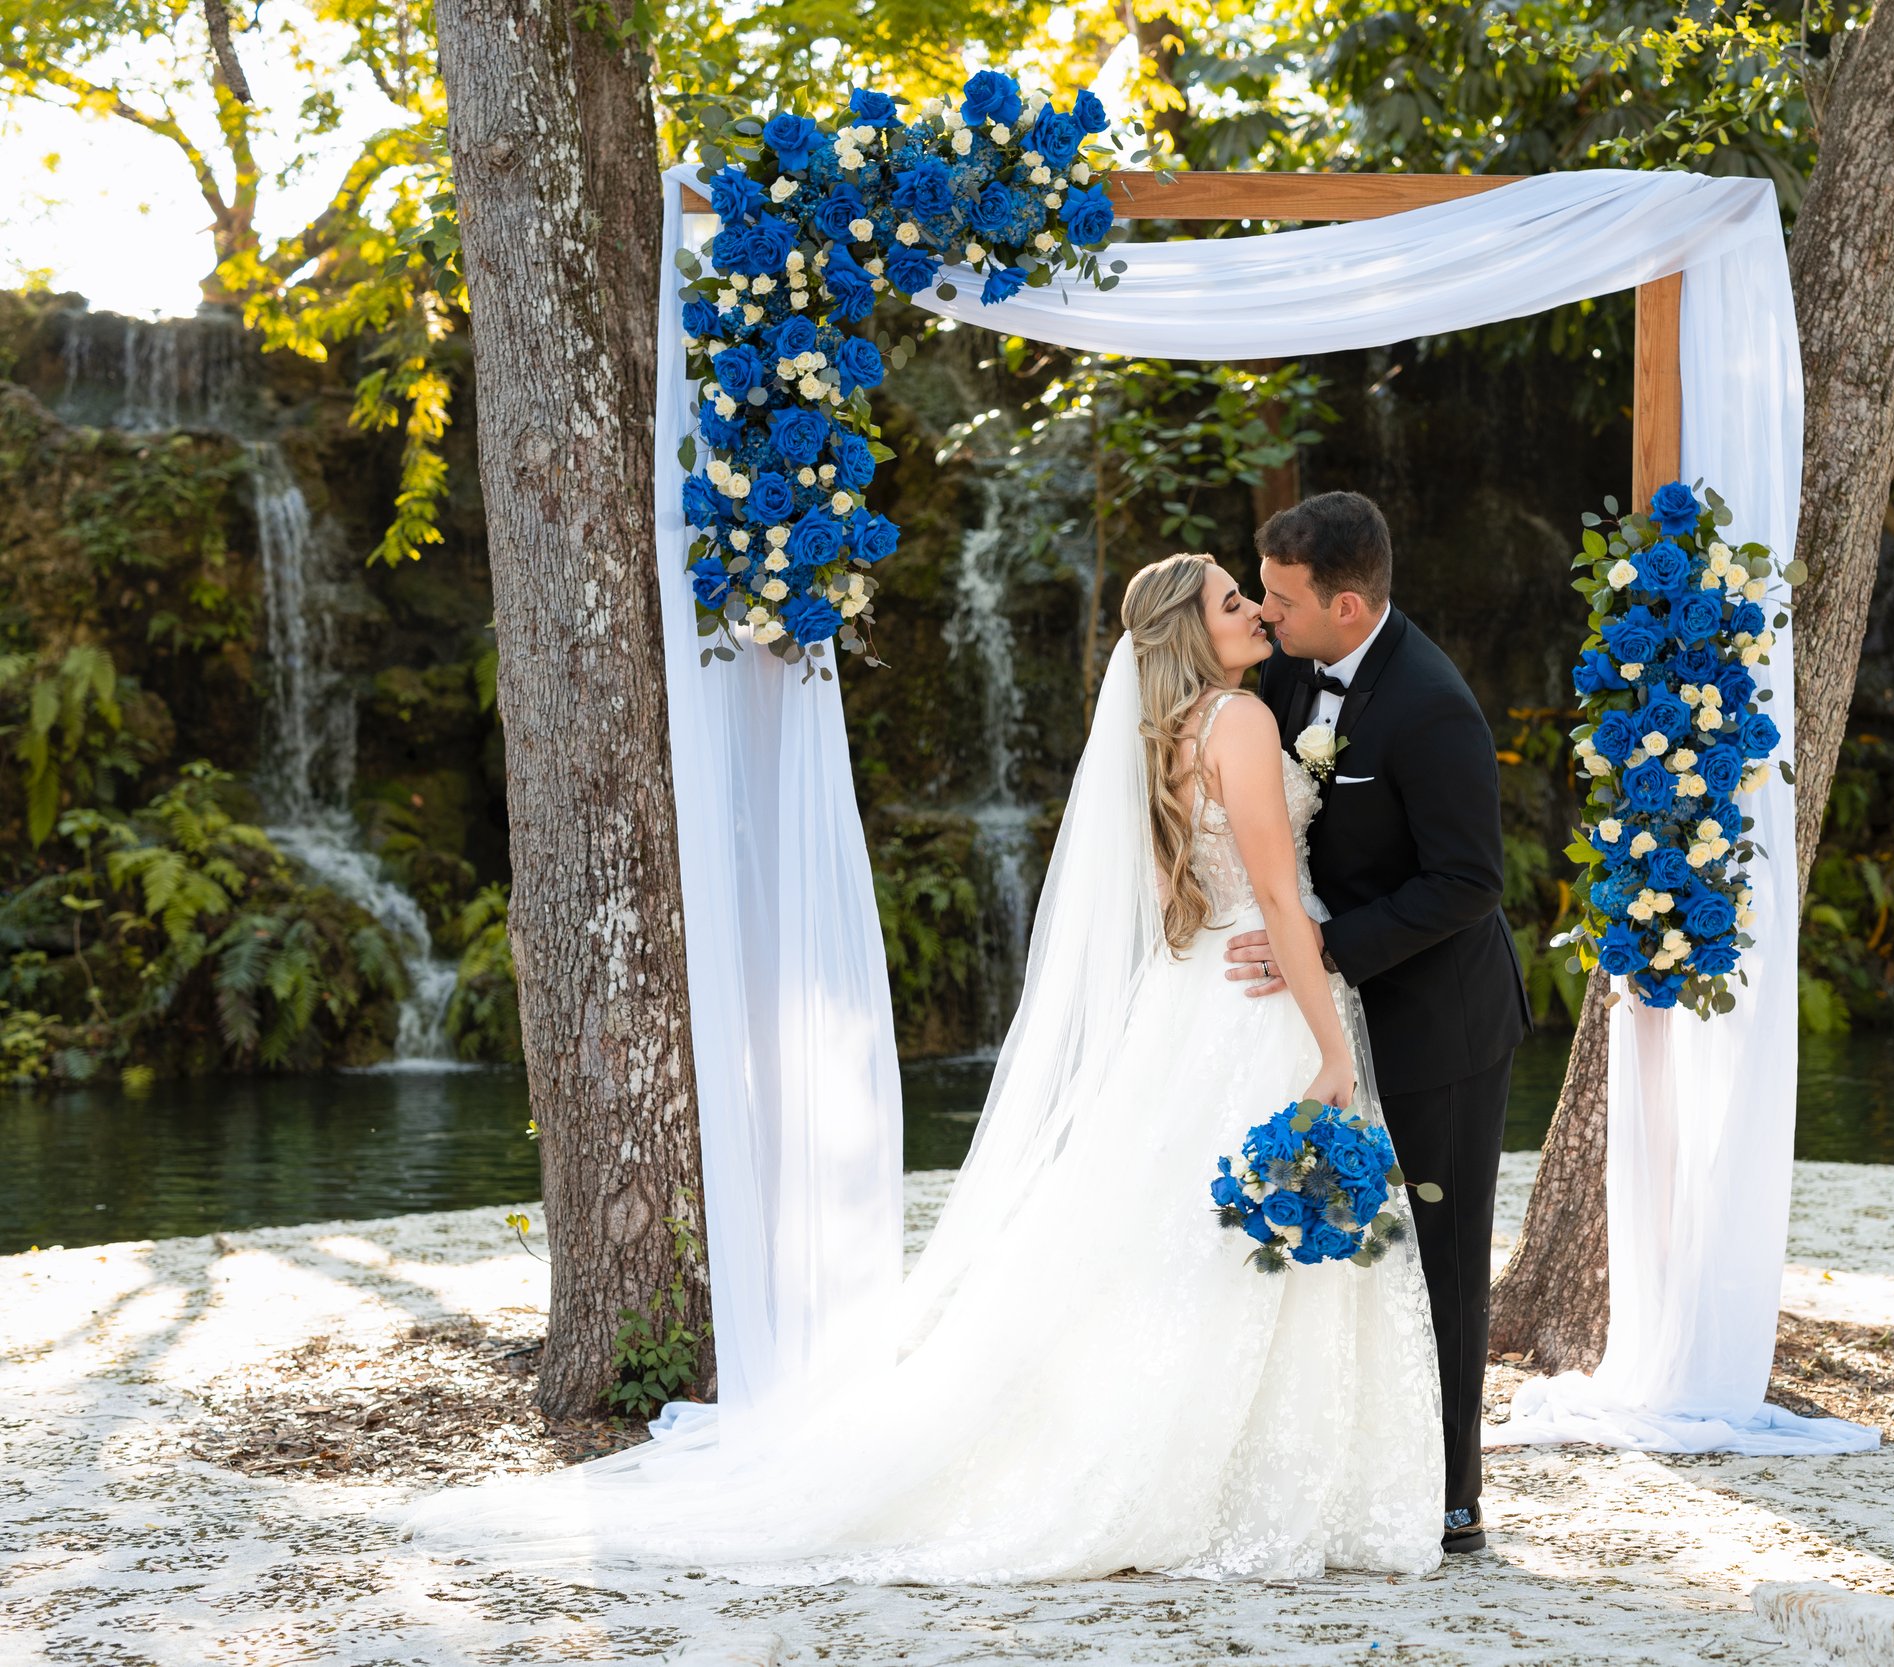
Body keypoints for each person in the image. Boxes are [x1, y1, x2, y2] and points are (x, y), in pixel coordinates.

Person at [399, 552, 1443, 1583]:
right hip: (1259, 1001)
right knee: (1242, 1236)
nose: (1256, 611)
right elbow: (1272, 896)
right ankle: (1262, 1482)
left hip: (1192, 1003)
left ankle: (1216, 1467)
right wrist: (1333, 1048)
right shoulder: (1246, 721)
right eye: (1232, 601)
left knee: (1188, 1236)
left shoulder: (1161, 733)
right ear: (1188, 630)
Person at [1222, 491, 1529, 1555]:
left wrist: (1324, 946)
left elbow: (1468, 880)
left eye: (1281, 596)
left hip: (1438, 1021)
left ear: (1348, 605)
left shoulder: (1433, 707)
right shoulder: (1291, 666)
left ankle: (1454, 1498)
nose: (1264, 611)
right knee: (1344, 1259)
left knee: (1441, 1254)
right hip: (1328, 1011)